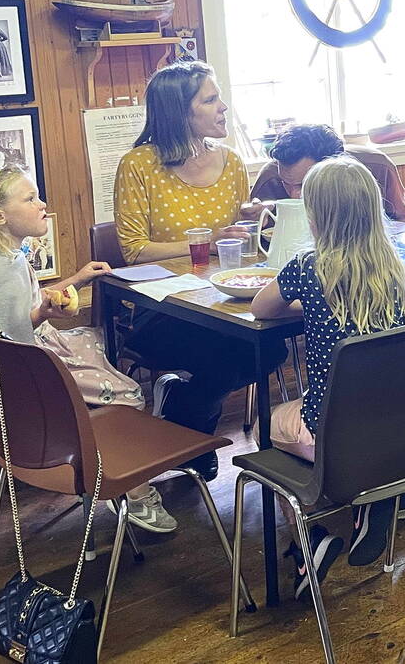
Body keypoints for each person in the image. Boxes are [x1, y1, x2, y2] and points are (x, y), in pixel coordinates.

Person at [0, 168, 176, 532]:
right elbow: (10, 353)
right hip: (4, 381)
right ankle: (133, 490)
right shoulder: (2, 270)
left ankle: (121, 475)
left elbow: (17, 316)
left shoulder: (0, 258)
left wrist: (75, 280)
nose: (42, 205)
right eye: (30, 199)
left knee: (94, 348)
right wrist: (43, 321)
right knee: (127, 391)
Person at [113, 61, 282, 479]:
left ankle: (184, 415)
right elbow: (134, 251)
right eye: (210, 100)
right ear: (180, 113)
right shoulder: (138, 165)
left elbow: (244, 246)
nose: (223, 107)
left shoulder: (232, 162)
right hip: (165, 309)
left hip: (227, 299)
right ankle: (194, 429)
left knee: (271, 347)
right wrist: (206, 242)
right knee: (224, 354)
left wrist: (259, 223)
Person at [252, 157, 405, 585]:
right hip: (396, 422)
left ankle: (310, 536)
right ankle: (369, 493)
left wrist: (310, 304)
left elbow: (261, 307)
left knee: (263, 426)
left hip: (332, 428)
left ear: (314, 215)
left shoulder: (309, 267)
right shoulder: (395, 268)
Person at [249, 123, 405, 221]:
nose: (294, 196)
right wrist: (254, 219)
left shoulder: (377, 167)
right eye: (286, 183)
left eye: (303, 184)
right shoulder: (270, 179)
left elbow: (402, 219)